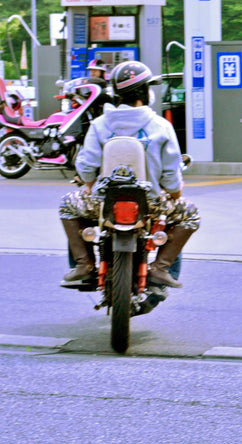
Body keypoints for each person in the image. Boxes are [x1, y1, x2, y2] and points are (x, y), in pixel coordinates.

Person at [59, 60, 200, 288]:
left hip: (103, 203)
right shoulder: (161, 125)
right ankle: (161, 269)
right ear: (144, 92)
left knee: (68, 204)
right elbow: (170, 174)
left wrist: (89, 184)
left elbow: (86, 167)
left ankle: (83, 264)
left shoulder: (100, 124)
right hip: (151, 202)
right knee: (190, 214)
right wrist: (174, 193)